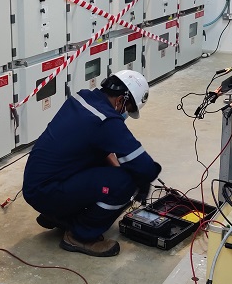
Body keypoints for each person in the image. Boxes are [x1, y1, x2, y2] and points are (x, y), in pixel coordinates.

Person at [22, 70, 161, 257]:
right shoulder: (106, 120)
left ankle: (60, 216)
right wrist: (141, 182)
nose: (125, 113)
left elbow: (100, 150)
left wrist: (119, 170)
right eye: (127, 108)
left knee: (108, 168)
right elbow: (144, 167)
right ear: (121, 100)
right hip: (47, 193)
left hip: (37, 185)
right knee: (125, 183)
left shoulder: (83, 98)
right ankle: (80, 236)